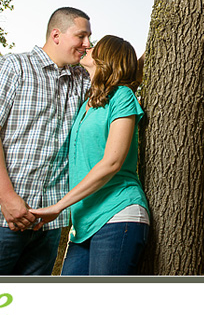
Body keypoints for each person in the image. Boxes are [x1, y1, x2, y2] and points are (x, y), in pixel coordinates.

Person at [0, 7, 93, 275]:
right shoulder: (14, 66)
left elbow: (123, 76)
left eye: (90, 38)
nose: (88, 44)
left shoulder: (81, 80)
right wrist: (8, 198)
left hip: (45, 227)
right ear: (56, 35)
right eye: (81, 36)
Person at [31, 35, 149, 275]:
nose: (88, 47)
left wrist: (59, 206)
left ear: (106, 58)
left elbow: (112, 162)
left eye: (95, 47)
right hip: (83, 224)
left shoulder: (123, 96)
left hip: (118, 214)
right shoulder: (89, 102)